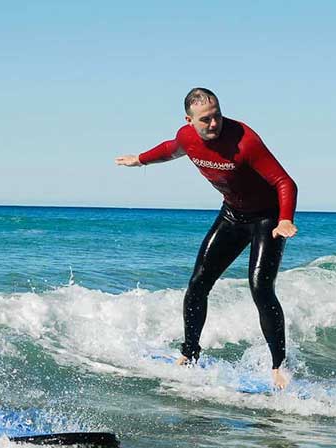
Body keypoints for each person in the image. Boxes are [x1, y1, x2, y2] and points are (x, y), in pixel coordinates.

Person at [116, 87, 298, 389]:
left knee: (260, 288)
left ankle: (278, 366)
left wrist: (285, 218)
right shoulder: (187, 137)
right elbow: (171, 148)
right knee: (198, 282)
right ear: (189, 120)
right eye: (205, 120)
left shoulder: (245, 141)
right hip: (232, 215)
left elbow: (284, 182)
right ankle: (189, 353)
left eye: (217, 116)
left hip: (268, 218)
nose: (214, 124)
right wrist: (141, 159)